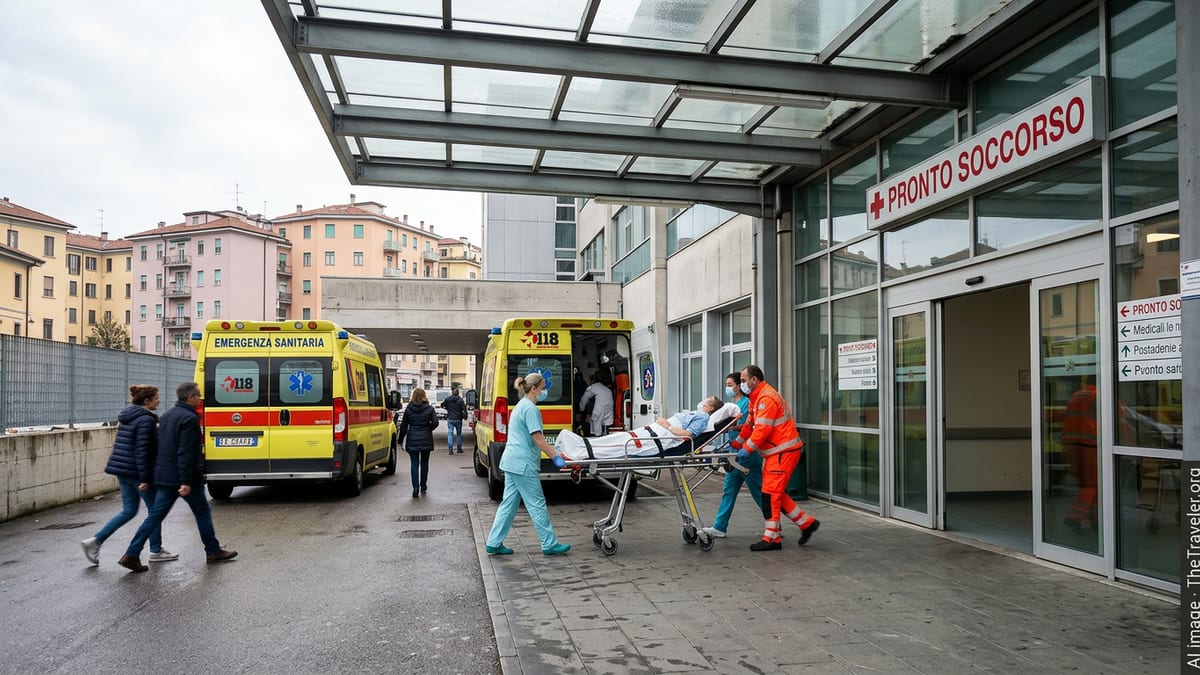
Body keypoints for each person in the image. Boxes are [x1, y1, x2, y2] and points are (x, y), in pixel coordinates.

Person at [117, 382, 237, 572]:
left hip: (165, 476)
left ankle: (131, 553)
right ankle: (213, 551)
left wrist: (152, 476)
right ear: (190, 398)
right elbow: (185, 452)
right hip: (185, 478)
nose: (199, 399)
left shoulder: (167, 416)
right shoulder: (189, 419)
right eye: (198, 396)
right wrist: (185, 481)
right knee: (202, 513)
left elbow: (160, 447)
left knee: (155, 516)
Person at [80, 385, 178, 565]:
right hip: (136, 472)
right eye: (156, 398)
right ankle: (155, 550)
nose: (159, 401)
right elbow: (142, 451)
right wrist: (145, 478)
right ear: (147, 401)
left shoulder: (128, 416)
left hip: (122, 470)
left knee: (129, 510)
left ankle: (95, 541)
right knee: (155, 511)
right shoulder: (146, 420)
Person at [730, 365, 819, 551]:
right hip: (777, 452)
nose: (742, 384)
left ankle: (771, 538)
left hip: (782, 452)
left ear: (754, 380)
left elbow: (762, 430)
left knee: (769, 494)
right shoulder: (757, 398)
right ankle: (806, 523)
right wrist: (737, 444)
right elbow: (749, 425)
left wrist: (746, 449)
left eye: (744, 381)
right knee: (774, 493)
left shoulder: (766, 398)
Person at [485, 371, 571, 557]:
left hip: (511, 461)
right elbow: (538, 438)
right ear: (534, 388)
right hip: (523, 464)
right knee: (537, 503)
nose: (544, 392)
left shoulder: (520, 406)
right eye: (542, 388)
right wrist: (555, 457)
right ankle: (549, 543)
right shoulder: (531, 409)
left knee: (508, 504)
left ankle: (493, 542)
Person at [702, 373, 764, 539]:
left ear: (738, 386)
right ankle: (720, 526)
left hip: (747, 455)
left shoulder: (746, 404)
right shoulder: (735, 405)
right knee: (728, 490)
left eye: (730, 384)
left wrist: (733, 428)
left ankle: (775, 523)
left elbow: (750, 426)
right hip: (734, 453)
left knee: (758, 492)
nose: (728, 387)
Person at [1061, 380, 1098, 531]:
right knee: (1092, 484)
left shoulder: (1076, 395)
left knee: (1086, 483)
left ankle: (1096, 519)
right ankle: (1075, 517)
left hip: (1072, 444)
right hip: (1090, 444)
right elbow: (1117, 420)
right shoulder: (1100, 395)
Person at [398, 388, 439, 497]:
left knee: (414, 463)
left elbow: (404, 426)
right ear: (424, 396)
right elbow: (435, 422)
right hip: (426, 437)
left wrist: (400, 439)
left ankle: (415, 488)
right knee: (424, 463)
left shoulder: (409, 409)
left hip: (412, 438)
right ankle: (423, 486)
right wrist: (428, 428)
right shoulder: (430, 409)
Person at [656, 395, 722, 439]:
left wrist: (667, 426)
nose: (706, 400)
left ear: (711, 408)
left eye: (709, 399)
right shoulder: (698, 414)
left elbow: (687, 435)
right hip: (661, 428)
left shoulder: (704, 417)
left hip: (666, 431)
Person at [578, 370, 614, 437]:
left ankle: (597, 438)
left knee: (596, 426)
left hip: (599, 409)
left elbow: (584, 399)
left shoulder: (593, 387)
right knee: (605, 423)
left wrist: (581, 409)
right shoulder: (608, 390)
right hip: (609, 408)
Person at [441, 387, 466, 455]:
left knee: (450, 434)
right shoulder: (460, 400)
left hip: (450, 419)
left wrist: (447, 408)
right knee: (459, 434)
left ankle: (450, 450)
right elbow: (464, 409)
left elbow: (442, 405)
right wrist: (465, 416)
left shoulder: (448, 399)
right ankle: (459, 449)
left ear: (452, 393)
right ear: (458, 393)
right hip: (458, 419)